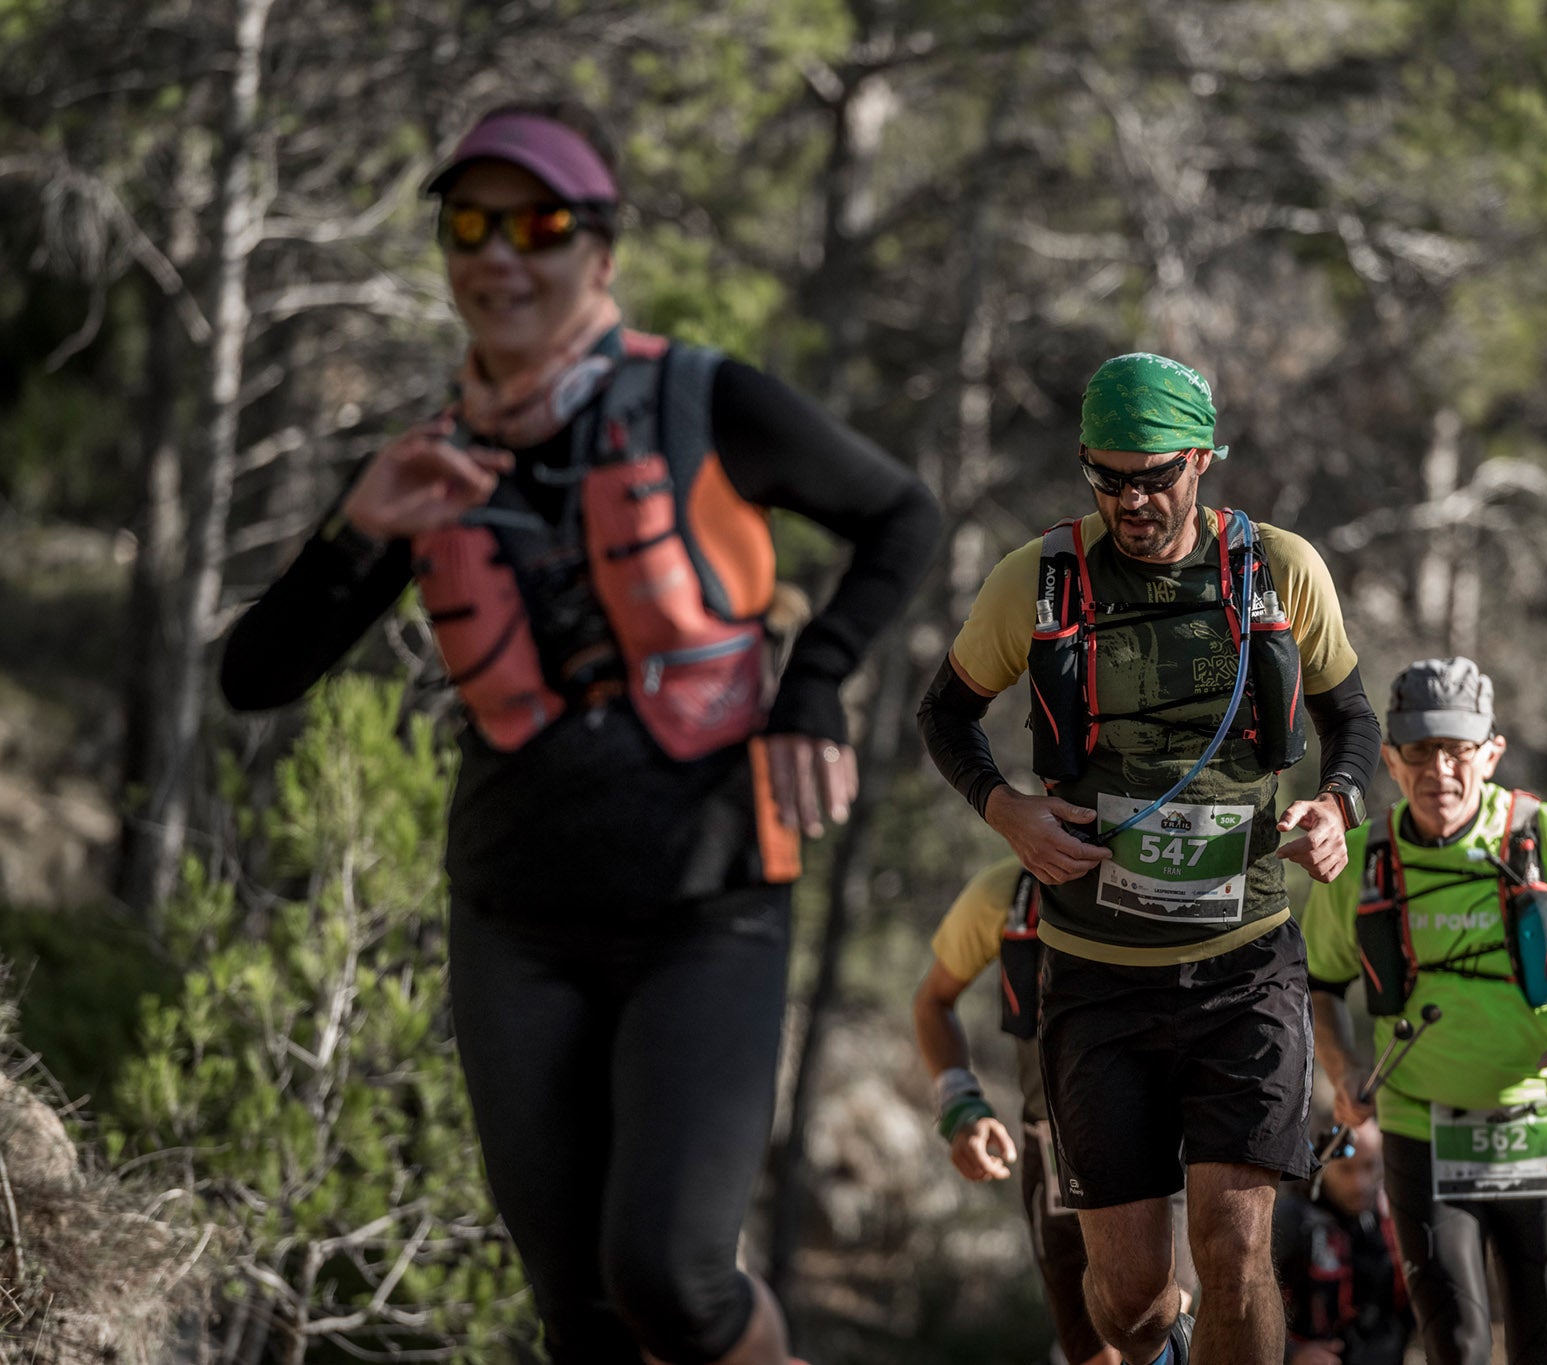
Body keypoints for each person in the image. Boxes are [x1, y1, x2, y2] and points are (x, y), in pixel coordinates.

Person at [219, 101, 940, 1365]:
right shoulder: (429, 463)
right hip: (516, 920)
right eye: (470, 226)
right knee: (582, 1320)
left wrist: (814, 683)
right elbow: (257, 675)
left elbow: (902, 518)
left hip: (707, 907)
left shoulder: (702, 401)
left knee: (669, 1276)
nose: (500, 255)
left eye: (538, 225)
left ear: (597, 253)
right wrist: (360, 535)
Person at [918, 352, 1383, 1365]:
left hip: (1246, 963)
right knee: (1128, 1302)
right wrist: (1004, 812)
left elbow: (1350, 716)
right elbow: (944, 715)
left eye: (1154, 474)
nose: (1131, 499)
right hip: (1096, 974)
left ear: (1203, 460)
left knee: (1236, 1246)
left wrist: (1337, 806)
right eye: (1106, 476)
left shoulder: (1279, 570)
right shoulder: (1037, 579)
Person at [1298, 657, 1547, 1365]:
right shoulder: (1360, 861)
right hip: (1422, 1130)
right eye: (1419, 750)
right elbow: (1318, 979)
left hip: (1539, 1128)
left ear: (1491, 753)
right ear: (1390, 757)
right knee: (1459, 1348)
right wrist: (1342, 1062)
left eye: (1458, 750)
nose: (1439, 769)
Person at [912, 858, 1196, 1365]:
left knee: (1157, 1335)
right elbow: (933, 1000)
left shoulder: (1176, 873)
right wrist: (961, 1106)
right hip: (1052, 1153)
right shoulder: (1006, 892)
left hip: (1158, 1145)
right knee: (1092, 1354)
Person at [1272, 1121, 1409, 1365]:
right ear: (1323, 1164)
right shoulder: (1288, 1220)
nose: (1359, 1183)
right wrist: (1291, 1354)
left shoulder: (1395, 1221)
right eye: (1346, 1169)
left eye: (1369, 1166)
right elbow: (1240, 1302)